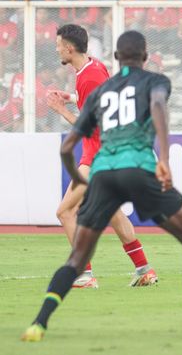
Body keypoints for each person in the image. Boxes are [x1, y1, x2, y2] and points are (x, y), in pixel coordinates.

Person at [21, 30, 182, 342]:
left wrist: (79, 173)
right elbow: (158, 108)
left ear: (117, 59)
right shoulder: (153, 82)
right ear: (146, 57)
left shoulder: (101, 89)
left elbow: (70, 145)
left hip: (103, 167)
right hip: (137, 167)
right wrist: (164, 157)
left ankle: (38, 324)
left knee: (77, 249)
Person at [44, 25, 158, 289]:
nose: (57, 48)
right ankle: (144, 270)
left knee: (66, 212)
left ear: (70, 48)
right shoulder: (92, 68)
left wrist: (61, 109)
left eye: (59, 44)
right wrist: (72, 98)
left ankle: (84, 274)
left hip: (98, 155)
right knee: (113, 212)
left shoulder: (88, 77)